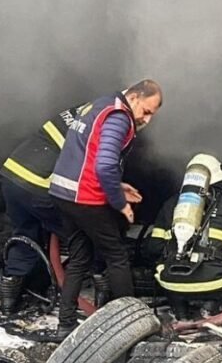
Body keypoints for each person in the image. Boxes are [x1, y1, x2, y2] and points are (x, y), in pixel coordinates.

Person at [49, 79, 162, 336]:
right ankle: (133, 326)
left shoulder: (99, 105)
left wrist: (118, 185)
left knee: (79, 258)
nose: (146, 120)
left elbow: (87, 156)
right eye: (146, 111)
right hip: (84, 198)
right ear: (134, 97)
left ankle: (64, 324)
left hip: (63, 193)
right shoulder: (119, 117)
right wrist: (119, 203)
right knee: (117, 256)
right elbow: (104, 165)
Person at [143, 154, 222, 319]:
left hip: (172, 283)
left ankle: (179, 310)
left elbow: (153, 249)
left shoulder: (169, 206)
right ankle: (212, 307)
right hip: (217, 284)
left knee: (173, 282)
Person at [0, 107, 70, 315]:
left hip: (12, 176)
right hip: (38, 184)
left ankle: (9, 303)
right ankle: (88, 292)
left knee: (26, 233)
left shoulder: (72, 115)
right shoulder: (102, 122)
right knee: (81, 235)